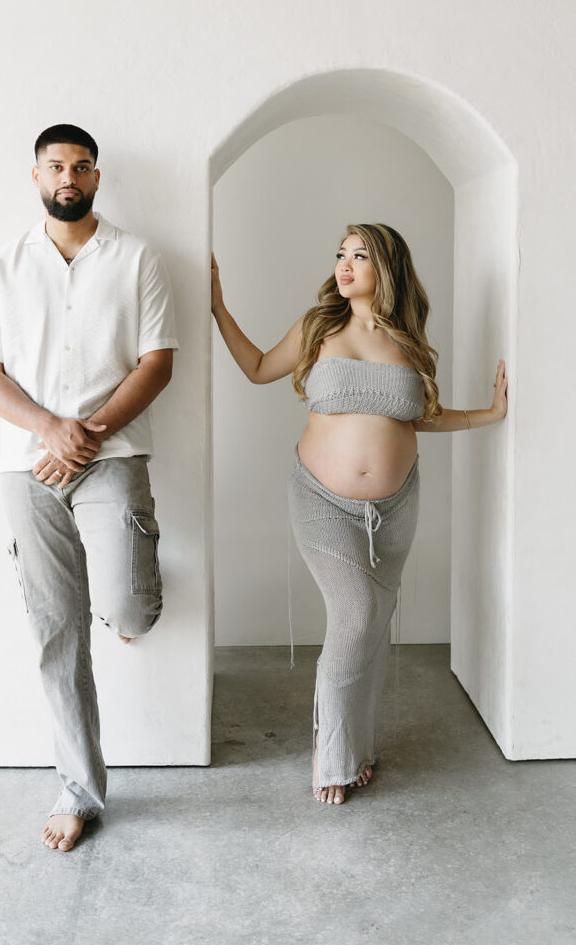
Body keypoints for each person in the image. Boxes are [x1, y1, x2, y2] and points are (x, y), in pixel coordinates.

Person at [211, 223, 507, 805]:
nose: (345, 265)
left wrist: (489, 415)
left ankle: (361, 747)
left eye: (360, 255)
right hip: (322, 500)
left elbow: (421, 416)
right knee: (355, 617)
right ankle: (333, 758)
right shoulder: (319, 325)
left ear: (387, 268)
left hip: (396, 507)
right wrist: (219, 307)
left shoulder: (408, 341)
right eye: (340, 255)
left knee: (373, 626)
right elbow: (257, 367)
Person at [0, 124, 179, 849]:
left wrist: (81, 433)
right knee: (57, 630)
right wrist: (48, 431)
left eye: (81, 167)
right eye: (56, 166)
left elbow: (156, 362)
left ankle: (139, 588)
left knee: (124, 605)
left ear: (97, 178)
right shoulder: (3, 265)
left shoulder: (138, 258)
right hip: (26, 469)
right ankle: (80, 790)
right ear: (35, 177)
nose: (69, 177)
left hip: (113, 454)